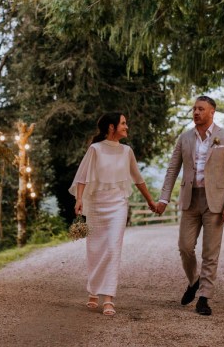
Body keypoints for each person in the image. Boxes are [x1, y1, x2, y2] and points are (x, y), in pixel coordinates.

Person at [156, 96, 224, 316]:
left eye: (201, 109)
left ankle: (204, 298)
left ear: (212, 112)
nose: (196, 112)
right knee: (185, 247)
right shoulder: (184, 138)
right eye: (194, 108)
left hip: (215, 201)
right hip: (190, 198)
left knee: (210, 253)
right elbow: (172, 170)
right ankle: (194, 281)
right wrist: (164, 199)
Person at [69, 112, 156, 316]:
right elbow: (82, 177)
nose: (127, 127)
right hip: (98, 204)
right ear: (111, 127)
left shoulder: (127, 151)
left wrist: (150, 200)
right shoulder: (95, 149)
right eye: (123, 123)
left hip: (118, 204)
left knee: (112, 248)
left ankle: (108, 298)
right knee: (96, 249)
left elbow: (138, 178)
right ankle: (93, 291)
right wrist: (79, 199)